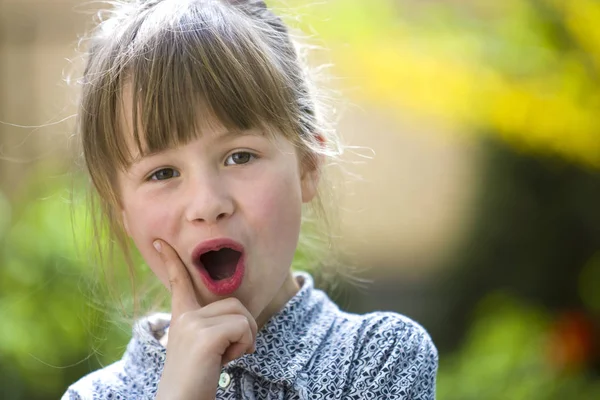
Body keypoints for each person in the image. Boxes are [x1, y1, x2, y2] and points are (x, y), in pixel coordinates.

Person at [61, 0, 438, 398]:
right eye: (163, 173)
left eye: (239, 156)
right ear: (122, 211)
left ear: (307, 166)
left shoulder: (377, 359)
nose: (207, 204)